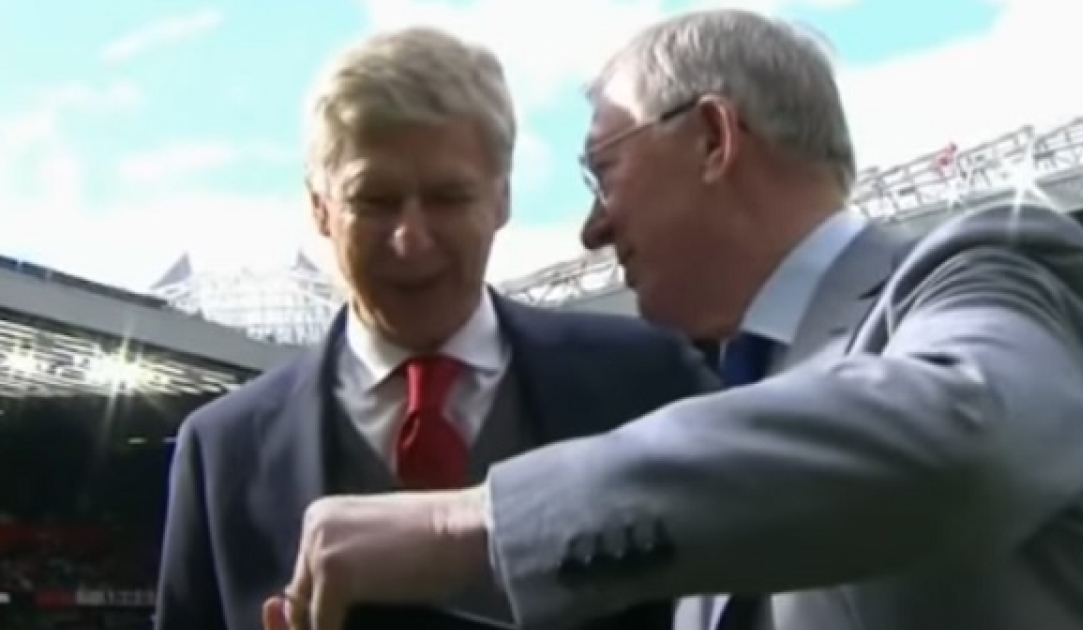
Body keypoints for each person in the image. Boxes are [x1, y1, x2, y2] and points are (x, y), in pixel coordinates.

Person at [261, 9, 1083, 630]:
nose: (592, 229)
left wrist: (464, 521)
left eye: (603, 172)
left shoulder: (991, 269)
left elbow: (964, 443)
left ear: (712, 138)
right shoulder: (725, 400)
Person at [154, 26, 714, 630]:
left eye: (448, 198)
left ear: (502, 199)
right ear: (319, 207)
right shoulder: (222, 453)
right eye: (374, 201)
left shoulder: (649, 383)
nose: (411, 239)